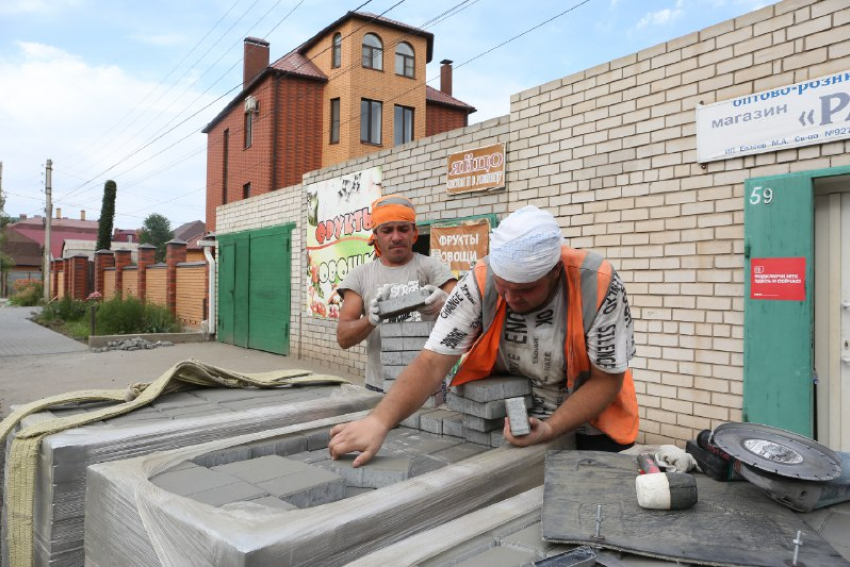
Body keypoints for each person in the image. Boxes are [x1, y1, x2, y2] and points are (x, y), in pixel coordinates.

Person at [329, 205, 639, 466]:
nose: (511, 298)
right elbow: (431, 362)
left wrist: (551, 428)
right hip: (520, 414)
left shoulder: (597, 283)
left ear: (555, 270)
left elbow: (606, 380)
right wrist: (379, 421)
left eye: (526, 289)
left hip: (592, 422)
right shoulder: (480, 280)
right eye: (504, 285)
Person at [336, 194, 457, 392]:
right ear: (375, 235)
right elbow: (343, 338)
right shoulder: (360, 276)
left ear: (414, 232)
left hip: (429, 385)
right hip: (379, 385)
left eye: (403, 229)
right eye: (387, 230)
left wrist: (446, 303)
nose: (396, 237)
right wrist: (371, 319)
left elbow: (469, 317)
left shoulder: (433, 269)